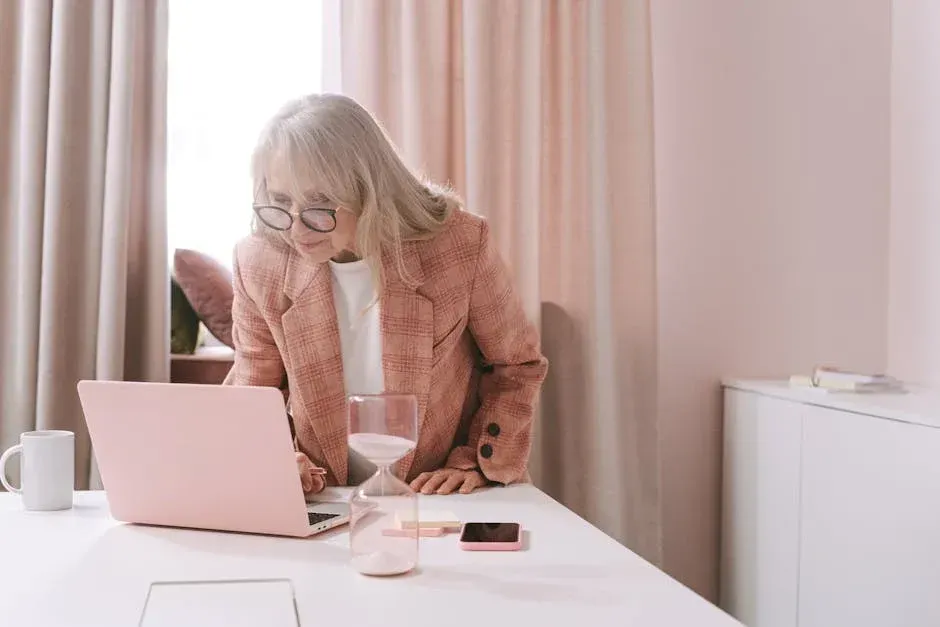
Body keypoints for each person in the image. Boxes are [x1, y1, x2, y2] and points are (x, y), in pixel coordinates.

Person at [224, 93, 547, 496]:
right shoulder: (260, 261)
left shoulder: (459, 244)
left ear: (369, 191)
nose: (295, 230)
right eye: (280, 202)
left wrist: (478, 461)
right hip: (326, 499)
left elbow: (516, 365)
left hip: (436, 495)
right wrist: (277, 458)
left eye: (319, 205)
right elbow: (255, 393)